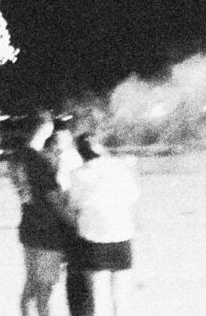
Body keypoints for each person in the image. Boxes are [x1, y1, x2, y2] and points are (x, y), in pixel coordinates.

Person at [61, 130, 137, 316]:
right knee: (121, 296)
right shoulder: (119, 167)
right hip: (122, 236)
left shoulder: (77, 174)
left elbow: (73, 204)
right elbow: (133, 195)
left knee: (98, 296)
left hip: (94, 241)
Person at [7, 118, 74, 316]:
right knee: (43, 293)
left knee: (31, 284)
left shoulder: (16, 159)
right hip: (48, 233)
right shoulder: (37, 162)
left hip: (29, 227)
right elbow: (53, 200)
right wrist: (76, 225)